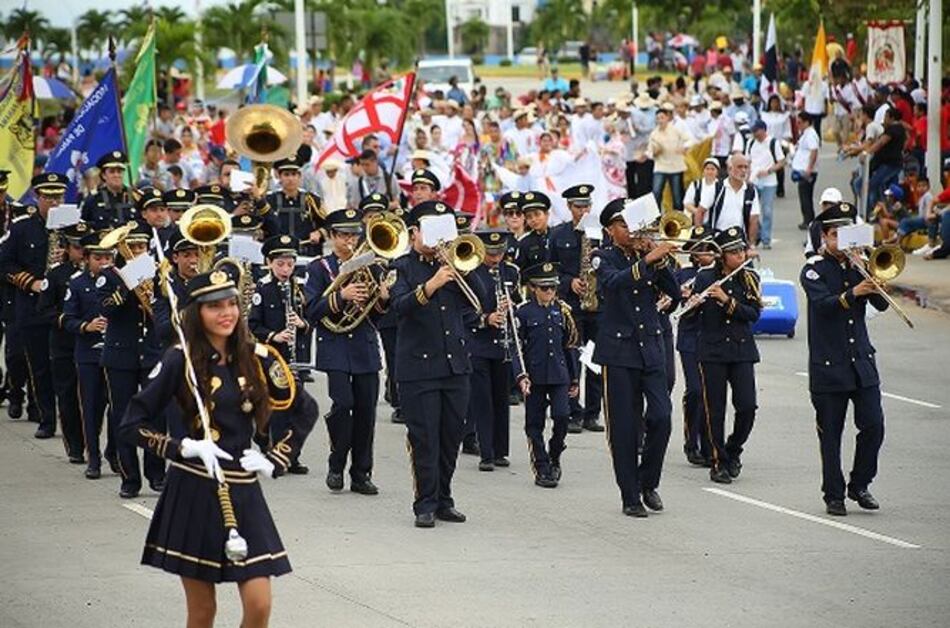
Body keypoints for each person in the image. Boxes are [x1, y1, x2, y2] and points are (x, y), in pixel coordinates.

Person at [119, 269, 317, 627]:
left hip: (243, 488)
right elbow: (132, 424)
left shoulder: (257, 356)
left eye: (231, 304)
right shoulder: (179, 359)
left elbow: (306, 409)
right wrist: (183, 448)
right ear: (196, 313)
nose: (226, 313)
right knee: (202, 611)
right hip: (194, 487)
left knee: (259, 604)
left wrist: (276, 459)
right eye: (214, 307)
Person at [389, 200, 482, 528]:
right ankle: (425, 502)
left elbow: (480, 300)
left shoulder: (454, 264)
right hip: (418, 368)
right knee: (424, 437)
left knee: (451, 436)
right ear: (414, 232)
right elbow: (398, 307)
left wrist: (462, 270)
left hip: (455, 365)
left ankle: (444, 499)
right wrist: (431, 285)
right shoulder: (401, 267)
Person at [593, 199, 680, 517]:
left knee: (662, 417)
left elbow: (675, 294)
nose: (631, 231)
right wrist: (647, 261)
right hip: (618, 352)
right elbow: (614, 283)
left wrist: (659, 260)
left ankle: (648, 482)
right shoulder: (601, 257)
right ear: (610, 230)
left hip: (651, 347)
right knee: (624, 428)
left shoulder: (647, 255)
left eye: (633, 224)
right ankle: (630, 495)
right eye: (623, 225)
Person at [799, 202, 886, 516]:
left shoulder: (859, 265)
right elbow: (824, 305)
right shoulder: (813, 269)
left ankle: (860, 484)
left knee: (874, 426)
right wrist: (854, 293)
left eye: (846, 234)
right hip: (829, 366)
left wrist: (871, 274)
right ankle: (833, 494)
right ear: (824, 236)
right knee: (831, 435)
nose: (842, 241)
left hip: (861, 361)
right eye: (836, 234)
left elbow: (882, 305)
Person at [303, 210, 389, 494]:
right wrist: (341, 295)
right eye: (343, 235)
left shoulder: (372, 267)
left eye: (354, 235)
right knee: (343, 405)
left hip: (364, 346)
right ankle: (336, 464)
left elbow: (379, 317)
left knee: (366, 411)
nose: (350, 241)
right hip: (335, 346)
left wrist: (383, 298)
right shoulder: (319, 268)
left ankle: (361, 473)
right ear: (331, 237)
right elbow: (311, 311)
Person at [687, 227, 761, 484]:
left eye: (741, 250)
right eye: (733, 252)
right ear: (722, 255)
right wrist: (693, 304)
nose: (740, 255)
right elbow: (691, 317)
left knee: (748, 406)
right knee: (714, 410)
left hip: (741, 350)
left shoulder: (749, 277)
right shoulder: (705, 277)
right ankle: (717, 460)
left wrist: (727, 301)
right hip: (712, 351)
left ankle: (733, 448)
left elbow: (753, 314)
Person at [97, 222, 165, 498]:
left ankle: (156, 474)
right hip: (120, 354)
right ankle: (129, 478)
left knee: (156, 416)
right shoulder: (110, 276)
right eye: (132, 247)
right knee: (123, 417)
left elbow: (167, 310)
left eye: (141, 247)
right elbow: (104, 308)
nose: (137, 251)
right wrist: (128, 285)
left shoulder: (159, 275)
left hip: (151, 354)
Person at [0, 172, 68, 439]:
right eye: (48, 197)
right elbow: (5, 264)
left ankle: (69, 421)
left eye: (58, 196)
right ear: (36, 197)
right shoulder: (22, 228)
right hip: (33, 307)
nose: (54, 202)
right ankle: (45, 418)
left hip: (64, 308)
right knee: (38, 366)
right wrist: (31, 282)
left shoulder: (73, 227)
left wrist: (70, 257)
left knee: (64, 369)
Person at [248, 235, 313, 476]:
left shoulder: (299, 288)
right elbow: (253, 325)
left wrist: (302, 324)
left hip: (294, 357)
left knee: (297, 407)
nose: (286, 270)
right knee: (278, 407)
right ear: (269, 263)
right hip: (272, 356)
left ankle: (292, 455)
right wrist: (274, 335)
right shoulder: (263, 289)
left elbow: (311, 319)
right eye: (280, 264)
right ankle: (272, 447)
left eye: (290, 264)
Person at [512, 262, 579, 488]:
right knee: (534, 423)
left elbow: (570, 346)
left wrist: (574, 378)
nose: (549, 292)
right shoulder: (523, 313)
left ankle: (555, 453)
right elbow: (516, 348)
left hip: (559, 375)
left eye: (552, 287)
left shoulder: (563, 311)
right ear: (533, 288)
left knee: (562, 416)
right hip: (535, 375)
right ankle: (541, 466)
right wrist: (520, 376)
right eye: (544, 288)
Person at [549, 184, 604, 433]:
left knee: (594, 360)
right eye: (578, 207)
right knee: (571, 359)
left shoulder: (600, 233)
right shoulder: (558, 234)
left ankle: (592, 413)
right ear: (569, 207)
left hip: (597, 306)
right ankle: (573, 410)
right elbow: (550, 270)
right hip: (571, 306)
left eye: (587, 206)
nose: (584, 211)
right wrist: (568, 282)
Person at [62, 228, 115, 477]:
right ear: (86, 259)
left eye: (108, 258)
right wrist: (86, 326)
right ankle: (93, 458)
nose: (104, 263)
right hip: (88, 354)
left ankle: (114, 452)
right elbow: (67, 318)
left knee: (117, 408)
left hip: (115, 353)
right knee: (91, 408)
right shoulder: (77, 283)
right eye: (98, 258)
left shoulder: (120, 281)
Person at [467, 229, 520, 471]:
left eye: (499, 253)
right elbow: (464, 312)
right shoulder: (470, 272)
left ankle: (500, 451)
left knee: (501, 398)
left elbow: (520, 301)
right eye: (490, 253)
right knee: (483, 400)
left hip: (503, 344)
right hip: (479, 344)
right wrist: (486, 318)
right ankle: (486, 453)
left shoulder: (511, 272)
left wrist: (512, 307)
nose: (495, 258)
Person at [37, 221, 89, 464]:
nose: (82, 253)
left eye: (85, 248)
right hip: (65, 343)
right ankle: (75, 446)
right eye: (77, 248)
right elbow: (44, 309)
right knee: (68, 396)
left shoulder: (101, 274)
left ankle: (97, 448)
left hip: (93, 345)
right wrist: (68, 322)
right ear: (67, 248)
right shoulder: (57, 274)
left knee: (96, 399)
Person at [674, 226, 716, 466]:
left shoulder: (720, 274)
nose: (706, 253)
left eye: (709, 248)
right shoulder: (684, 274)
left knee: (712, 392)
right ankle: (692, 442)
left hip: (714, 338)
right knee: (696, 391)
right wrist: (685, 297)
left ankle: (711, 446)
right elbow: (674, 303)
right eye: (700, 249)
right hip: (690, 338)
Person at [695, 154, 761, 249]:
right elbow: (700, 212)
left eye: (746, 167)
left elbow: (754, 219)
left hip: (739, 241)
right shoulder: (716, 188)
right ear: (730, 169)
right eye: (739, 167)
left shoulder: (751, 191)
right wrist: (700, 238)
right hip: (716, 241)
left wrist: (751, 245)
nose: (743, 170)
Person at [264, 156, 325, 253]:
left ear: (299, 176)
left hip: (307, 252)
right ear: (279, 177)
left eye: (294, 174)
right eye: (286, 175)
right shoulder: (270, 200)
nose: (290, 179)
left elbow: (327, 223)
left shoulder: (311, 200)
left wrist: (319, 233)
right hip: (278, 253)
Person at [743, 120, 786, 249]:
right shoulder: (751, 143)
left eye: (756, 131)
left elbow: (781, 161)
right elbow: (748, 162)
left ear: (763, 130)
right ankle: (757, 234)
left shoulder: (772, 142)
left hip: (769, 181)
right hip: (754, 180)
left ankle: (766, 239)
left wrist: (769, 171)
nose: (755, 134)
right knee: (751, 210)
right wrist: (747, 178)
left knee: (767, 210)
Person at [648, 103, 692, 211]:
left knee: (677, 196)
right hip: (660, 166)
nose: (660, 120)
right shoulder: (654, 134)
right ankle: (657, 217)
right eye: (658, 118)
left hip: (675, 166)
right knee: (656, 192)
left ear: (667, 118)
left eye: (662, 117)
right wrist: (654, 153)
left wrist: (684, 147)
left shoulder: (676, 129)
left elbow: (690, 140)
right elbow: (649, 152)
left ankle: (679, 217)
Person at [865, 108, 907, 218]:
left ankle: (874, 210)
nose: (884, 119)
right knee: (884, 187)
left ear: (891, 118)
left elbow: (881, 142)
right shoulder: (901, 129)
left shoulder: (893, 129)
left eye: (885, 117)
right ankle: (885, 209)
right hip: (894, 163)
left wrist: (867, 152)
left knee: (874, 184)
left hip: (889, 163)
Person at [81, 151, 135, 231]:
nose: (116, 175)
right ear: (103, 175)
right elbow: (84, 228)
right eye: (112, 172)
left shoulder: (134, 197)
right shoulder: (93, 200)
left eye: (119, 171)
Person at [791, 113, 821, 228]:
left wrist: (809, 168)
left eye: (800, 122)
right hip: (802, 170)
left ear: (807, 122)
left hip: (807, 171)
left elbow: (814, 151)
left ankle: (808, 220)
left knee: (805, 196)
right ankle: (808, 219)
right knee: (805, 196)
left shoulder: (811, 134)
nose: (798, 125)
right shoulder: (805, 134)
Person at [514, 192, 552, 270]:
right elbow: (520, 270)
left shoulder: (559, 236)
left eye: (537, 214)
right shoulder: (524, 242)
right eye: (529, 217)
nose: (533, 219)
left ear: (546, 214)